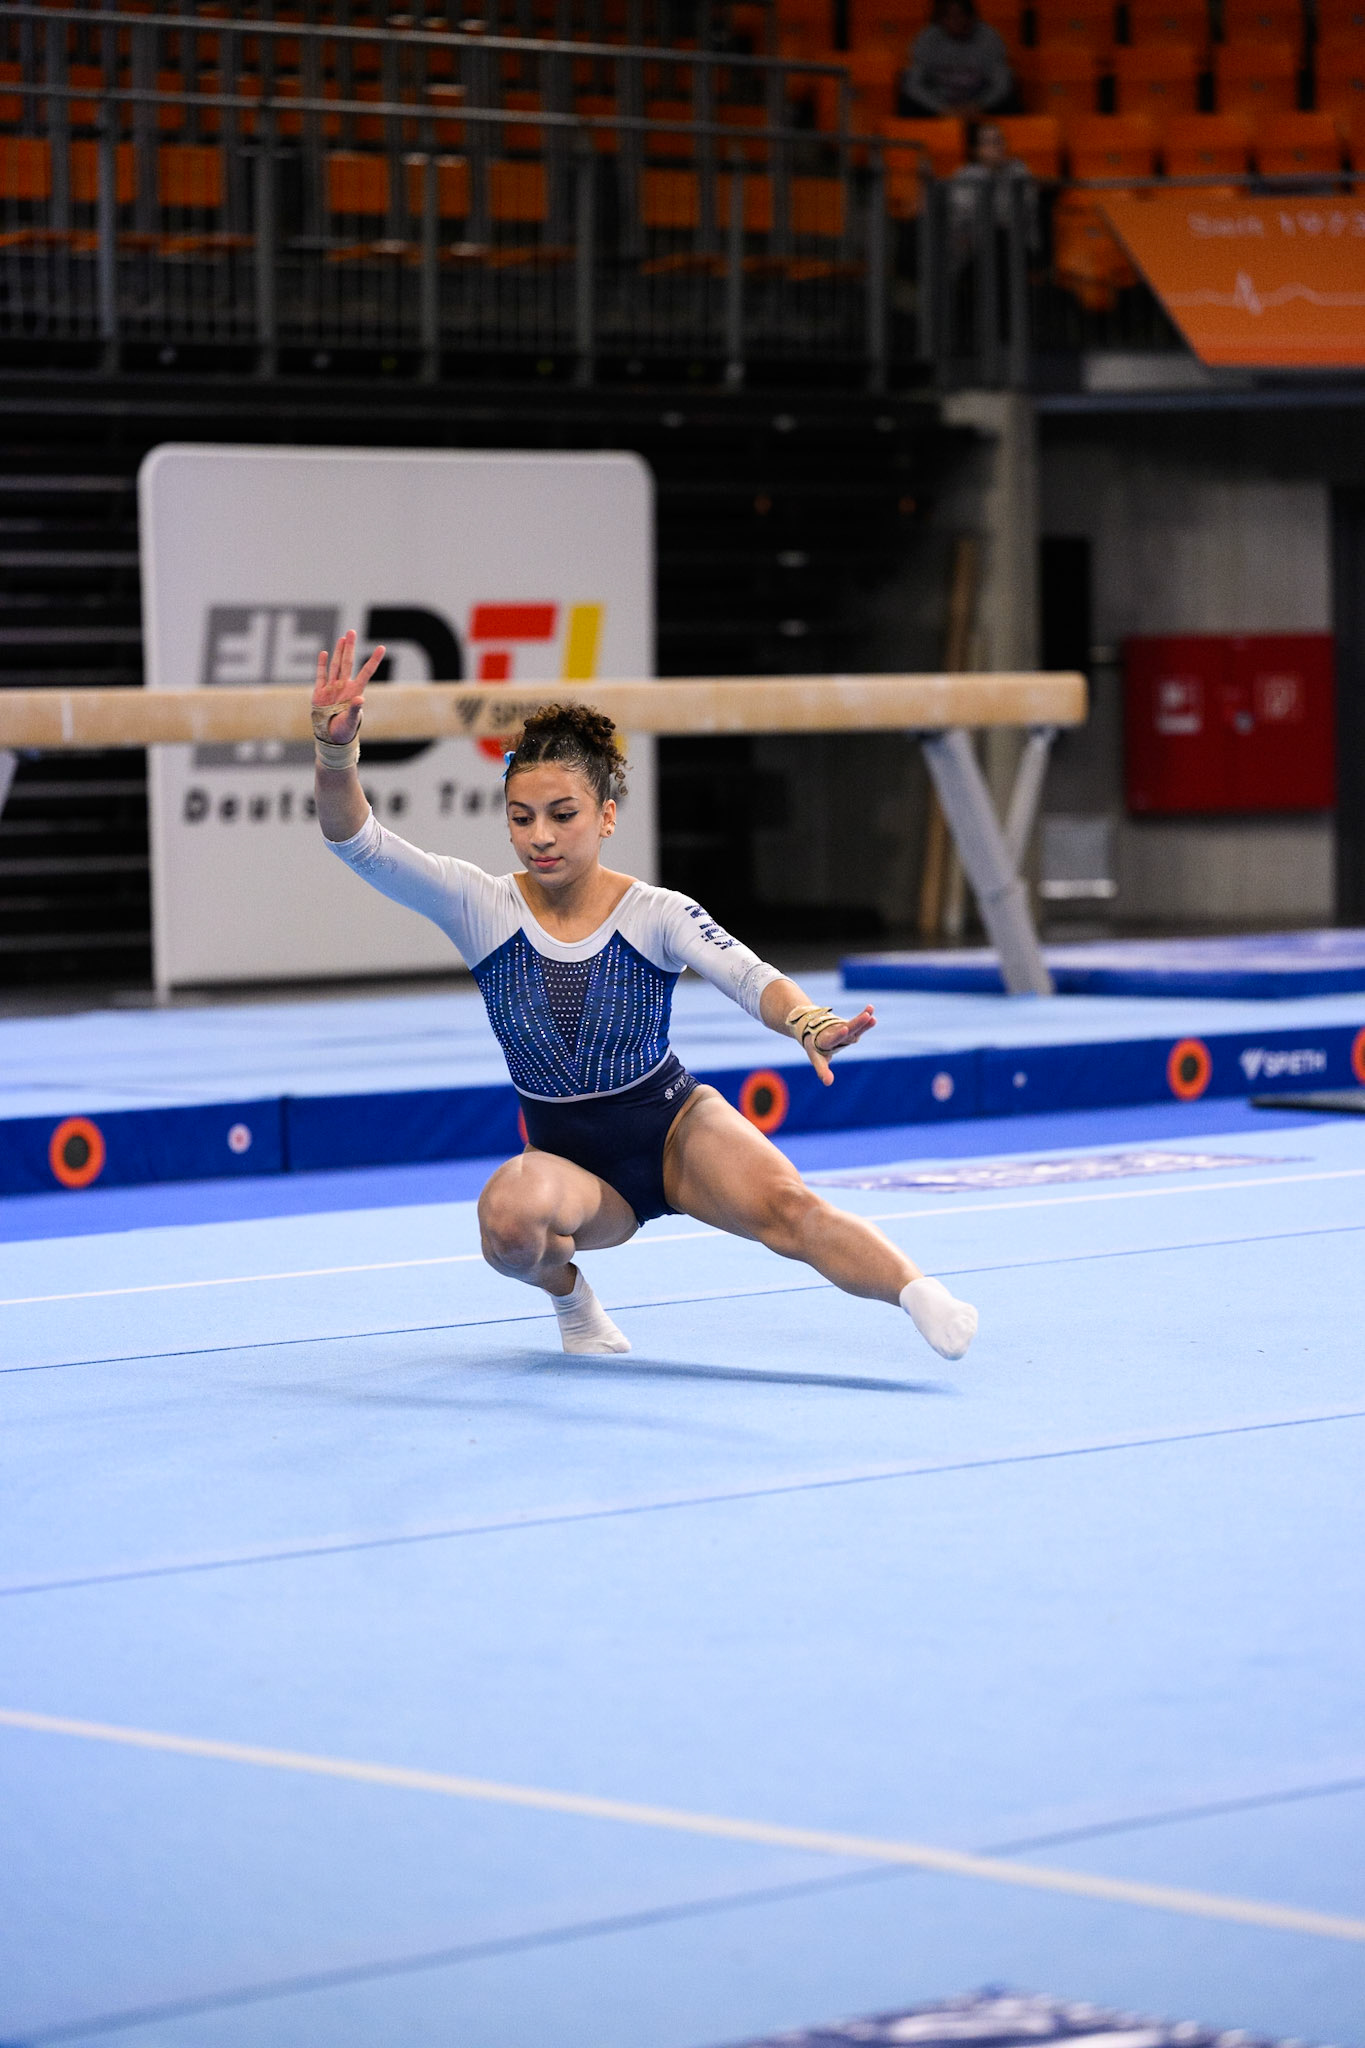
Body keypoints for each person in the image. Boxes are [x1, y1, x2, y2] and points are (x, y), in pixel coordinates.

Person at [311, 631, 978, 1365]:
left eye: (562, 814)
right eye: (521, 817)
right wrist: (336, 754)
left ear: (605, 815)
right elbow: (357, 842)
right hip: (569, 1163)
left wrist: (806, 1021)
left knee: (791, 1210)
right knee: (507, 1225)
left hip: (674, 1130)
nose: (540, 837)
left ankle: (918, 1292)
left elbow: (748, 975)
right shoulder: (481, 906)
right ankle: (572, 1300)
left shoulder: (654, 912)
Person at [904, 0, 1014, 118]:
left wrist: (979, 105)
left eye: (961, 15)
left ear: (972, 17)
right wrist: (941, 108)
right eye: (949, 16)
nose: (956, 21)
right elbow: (913, 84)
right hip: (937, 104)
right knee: (906, 90)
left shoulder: (990, 39)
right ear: (939, 19)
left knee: (1011, 93)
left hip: (979, 103)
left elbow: (1002, 84)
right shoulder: (927, 39)